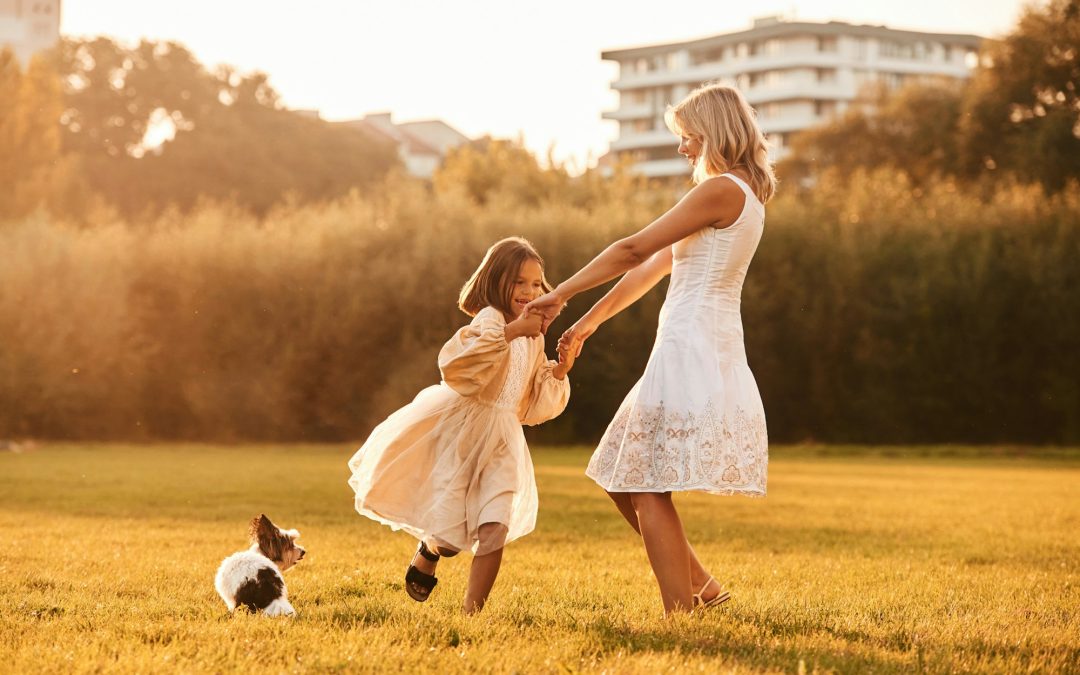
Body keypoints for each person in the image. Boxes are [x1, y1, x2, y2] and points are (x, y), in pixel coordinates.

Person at [525, 83, 775, 615]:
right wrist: (586, 324)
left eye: (688, 137)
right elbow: (649, 267)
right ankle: (703, 589)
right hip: (695, 343)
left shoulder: (722, 190)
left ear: (715, 133)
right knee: (620, 474)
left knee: (643, 483)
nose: (683, 149)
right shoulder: (737, 194)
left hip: (692, 345)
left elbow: (631, 247)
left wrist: (559, 294)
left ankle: (680, 614)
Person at [347, 236, 575, 614]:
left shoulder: (534, 336)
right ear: (496, 281)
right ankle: (431, 548)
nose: (530, 291)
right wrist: (513, 331)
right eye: (520, 282)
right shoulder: (489, 321)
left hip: (502, 439)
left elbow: (530, 404)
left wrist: (562, 367)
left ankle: (472, 615)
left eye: (537, 283)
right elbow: (459, 368)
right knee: (451, 536)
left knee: (494, 527)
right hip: (463, 433)